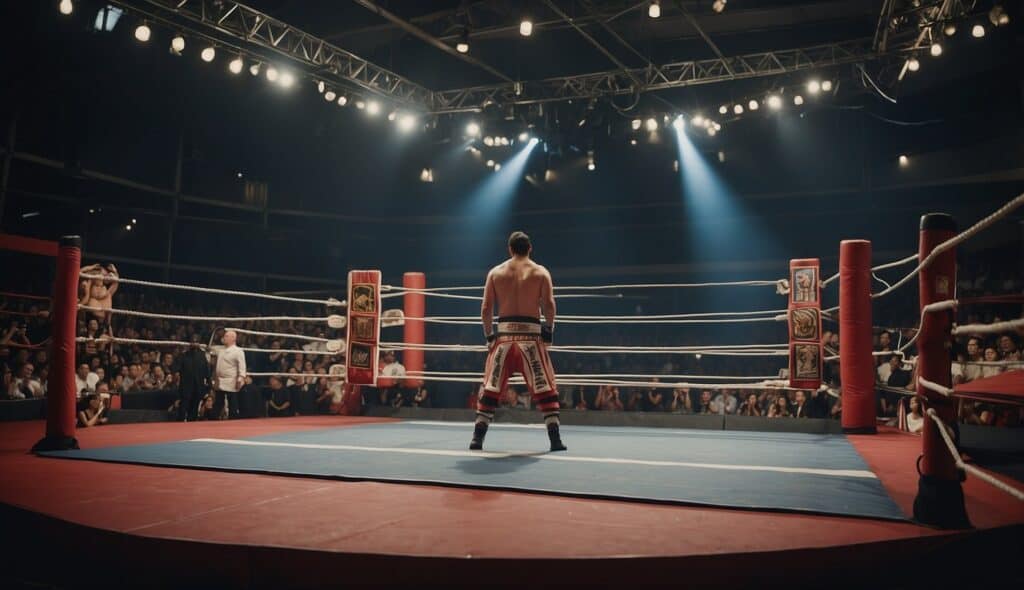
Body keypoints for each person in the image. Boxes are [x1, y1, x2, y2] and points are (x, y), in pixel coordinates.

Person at [471, 231, 566, 452]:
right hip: (531, 339)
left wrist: (489, 336)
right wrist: (549, 331)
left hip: (503, 339)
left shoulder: (496, 273)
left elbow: (486, 308)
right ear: (530, 248)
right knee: (544, 386)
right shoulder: (540, 272)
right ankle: (555, 440)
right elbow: (549, 305)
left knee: (491, 386)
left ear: (510, 249)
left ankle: (477, 438)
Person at [173, 334, 211, 421]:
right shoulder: (184, 355)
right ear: (190, 343)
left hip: (198, 385)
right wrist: (177, 375)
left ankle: (192, 423)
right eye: (193, 342)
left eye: (196, 342)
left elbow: (206, 370)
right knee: (184, 405)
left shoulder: (202, 355)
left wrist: (209, 383)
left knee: (195, 405)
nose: (194, 344)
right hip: (186, 385)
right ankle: (180, 422)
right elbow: (178, 368)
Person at [213, 330, 247, 419]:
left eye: (227, 336)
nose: (224, 338)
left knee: (232, 403)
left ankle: (233, 422)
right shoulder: (221, 350)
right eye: (225, 336)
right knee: (218, 402)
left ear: (233, 338)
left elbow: (242, 367)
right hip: (220, 380)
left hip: (231, 380)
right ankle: (213, 420)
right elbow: (210, 349)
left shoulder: (238, 351)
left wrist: (240, 379)